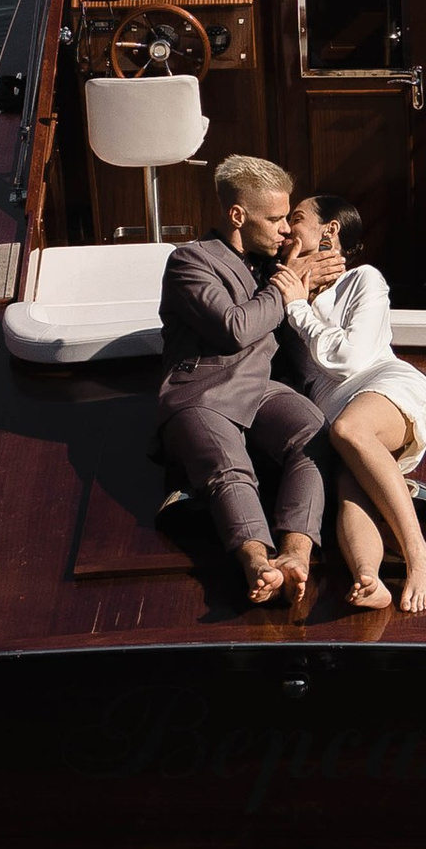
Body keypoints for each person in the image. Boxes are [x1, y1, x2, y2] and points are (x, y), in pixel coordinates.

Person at [158, 157, 323, 611]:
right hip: (202, 393)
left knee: (316, 432)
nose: (284, 231)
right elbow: (233, 326)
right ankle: (256, 561)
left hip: (261, 388)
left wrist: (309, 288)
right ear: (237, 216)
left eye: (286, 219)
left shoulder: (267, 264)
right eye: (273, 220)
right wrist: (286, 284)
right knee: (229, 469)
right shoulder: (190, 260)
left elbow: (284, 331)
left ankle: (296, 551)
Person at [281, 195, 426, 616]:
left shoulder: (364, 280)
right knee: (350, 493)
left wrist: (298, 305)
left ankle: (420, 557)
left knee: (351, 430)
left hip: (384, 388)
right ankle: (368, 578)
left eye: (296, 219)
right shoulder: (281, 289)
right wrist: (294, 289)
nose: (285, 229)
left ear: (329, 231)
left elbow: (349, 359)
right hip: (333, 414)